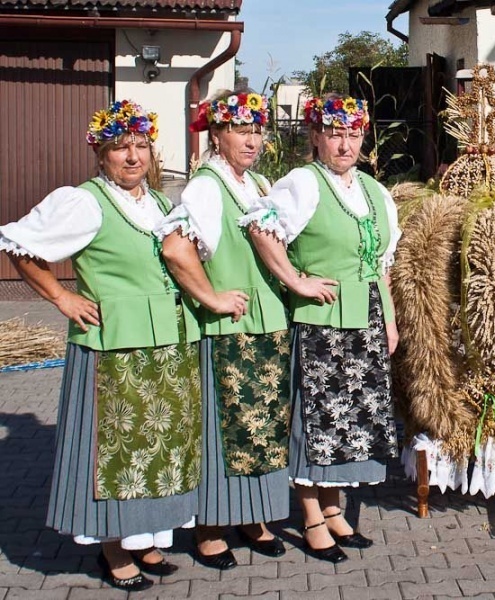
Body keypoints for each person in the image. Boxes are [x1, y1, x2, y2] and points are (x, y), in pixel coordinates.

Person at [0, 100, 201, 590]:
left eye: (140, 146)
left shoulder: (155, 202)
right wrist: (62, 297)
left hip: (165, 343)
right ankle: (113, 550)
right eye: (120, 148)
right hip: (114, 346)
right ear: (101, 155)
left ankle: (145, 539)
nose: (132, 157)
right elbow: (18, 246)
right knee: (114, 453)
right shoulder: (86, 201)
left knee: (155, 449)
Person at [243, 94, 400, 563]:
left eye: (353, 134)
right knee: (317, 422)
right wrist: (295, 279)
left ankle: (334, 512)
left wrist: (389, 319)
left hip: (366, 320)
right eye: (335, 134)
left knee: (348, 423)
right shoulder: (302, 183)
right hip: (323, 324)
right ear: (315, 137)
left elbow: (381, 265)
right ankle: (311, 516)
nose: (345, 143)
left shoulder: (373, 190)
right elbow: (259, 226)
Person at [156, 90, 290, 569]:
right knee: (225, 428)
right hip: (228, 327)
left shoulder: (255, 184)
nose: (252, 139)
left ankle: (252, 517)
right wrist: (211, 296)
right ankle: (211, 526)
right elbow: (175, 248)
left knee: (261, 430)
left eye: (257, 130)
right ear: (217, 135)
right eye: (240, 130)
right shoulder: (208, 186)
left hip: (264, 323)